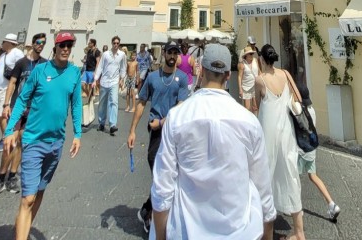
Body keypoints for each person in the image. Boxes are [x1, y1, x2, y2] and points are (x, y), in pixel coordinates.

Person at [150, 42, 276, 240]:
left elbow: (162, 187)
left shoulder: (177, 117)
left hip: (186, 232)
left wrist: (160, 236)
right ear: (228, 75)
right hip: (241, 232)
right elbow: (263, 187)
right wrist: (268, 233)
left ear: (201, 72)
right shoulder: (249, 121)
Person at [4, 30, 82, 240]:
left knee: (39, 192)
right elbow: (21, 100)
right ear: (55, 47)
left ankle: (23, 228)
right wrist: (10, 130)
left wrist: (78, 133)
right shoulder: (40, 71)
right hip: (34, 140)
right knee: (28, 198)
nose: (65, 49)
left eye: (69, 46)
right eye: (62, 45)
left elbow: (76, 104)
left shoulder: (74, 73)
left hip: (56, 142)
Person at [127, 40, 190, 233]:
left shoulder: (182, 78)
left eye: (175, 53)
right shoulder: (153, 77)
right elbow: (141, 102)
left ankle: (149, 211)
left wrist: (163, 122)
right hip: (155, 131)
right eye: (169, 52)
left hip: (173, 131)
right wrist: (132, 130)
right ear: (164, 53)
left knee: (168, 175)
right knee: (158, 171)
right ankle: (150, 213)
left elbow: (182, 105)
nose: (172, 56)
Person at [0, 33, 47, 198]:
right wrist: (6, 105)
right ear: (33, 44)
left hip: (33, 109)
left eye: (43, 43)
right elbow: (12, 82)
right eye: (38, 42)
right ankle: (0, 178)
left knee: (21, 142)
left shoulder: (44, 64)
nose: (41, 45)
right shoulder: (22, 63)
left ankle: (12, 176)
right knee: (9, 143)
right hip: (16, 107)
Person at [255, 43, 305, 240]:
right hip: (287, 132)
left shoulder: (260, 80)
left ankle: (264, 229)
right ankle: (299, 232)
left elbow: (257, 106)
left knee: (265, 176)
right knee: (291, 176)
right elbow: (297, 97)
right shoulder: (285, 74)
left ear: (261, 59)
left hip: (268, 133)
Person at [294, 81, 340, 221]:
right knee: (313, 176)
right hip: (311, 150)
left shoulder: (298, 112)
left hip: (300, 150)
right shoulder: (312, 110)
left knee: (294, 179)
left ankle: (297, 208)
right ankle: (331, 204)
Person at [93, 36, 126, 135]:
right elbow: (100, 67)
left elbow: (123, 67)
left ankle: (112, 125)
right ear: (111, 43)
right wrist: (95, 79)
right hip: (104, 81)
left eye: (117, 43)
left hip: (114, 81)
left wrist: (122, 79)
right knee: (102, 103)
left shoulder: (122, 55)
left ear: (119, 44)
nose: (116, 45)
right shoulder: (106, 54)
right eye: (114, 43)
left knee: (114, 102)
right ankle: (101, 123)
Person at [238, 45, 261, 113]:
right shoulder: (242, 64)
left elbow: (259, 72)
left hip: (255, 86)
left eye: (252, 53)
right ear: (246, 55)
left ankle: (256, 120)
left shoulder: (256, 61)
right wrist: (240, 89)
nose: (252, 55)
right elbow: (239, 77)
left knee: (255, 106)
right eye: (250, 54)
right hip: (246, 87)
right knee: (247, 108)